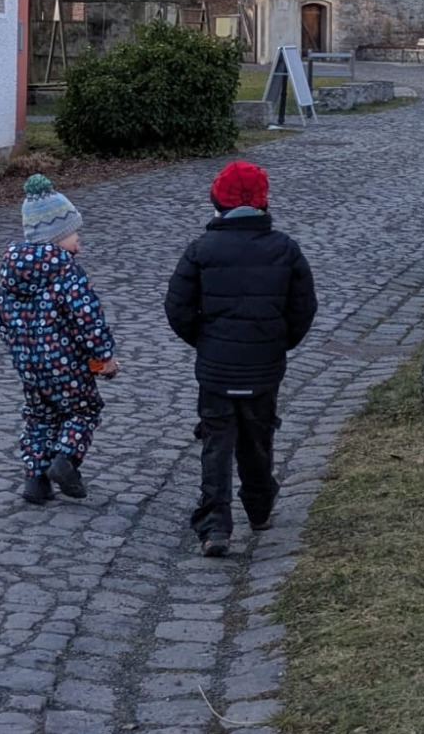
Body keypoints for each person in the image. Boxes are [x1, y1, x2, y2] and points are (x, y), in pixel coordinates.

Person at [165, 160, 317, 557]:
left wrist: (205, 341)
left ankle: (215, 524)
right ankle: (260, 505)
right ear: (263, 203)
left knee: (216, 442)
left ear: (218, 202)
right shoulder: (285, 249)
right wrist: (278, 343)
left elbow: (177, 308)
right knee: (258, 436)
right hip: (264, 366)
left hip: (216, 368)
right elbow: (303, 307)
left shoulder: (201, 250)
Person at [0, 174, 118, 506]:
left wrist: (20, 348)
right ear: (56, 237)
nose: (79, 243)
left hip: (30, 366)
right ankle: (65, 461)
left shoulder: (12, 273)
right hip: (67, 364)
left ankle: (35, 481)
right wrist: (104, 356)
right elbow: (87, 318)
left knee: (39, 416)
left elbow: (2, 321)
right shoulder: (66, 271)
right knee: (84, 409)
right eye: (74, 235)